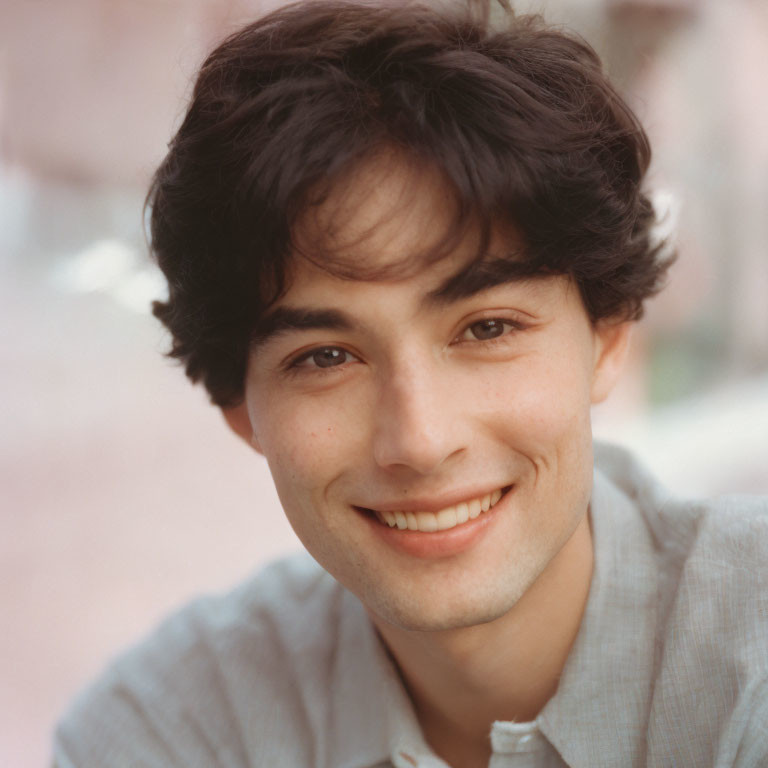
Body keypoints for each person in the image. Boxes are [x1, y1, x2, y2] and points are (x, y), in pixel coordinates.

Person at [53, 1, 768, 766]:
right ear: (240, 407)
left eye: (487, 329)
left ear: (608, 337)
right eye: (326, 357)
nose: (421, 442)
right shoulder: (172, 730)